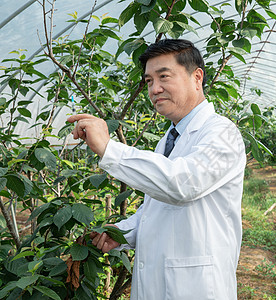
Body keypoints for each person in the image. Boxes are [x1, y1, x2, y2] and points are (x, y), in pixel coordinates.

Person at [67, 39, 246, 300]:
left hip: (196, 288)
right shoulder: (170, 138)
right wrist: (122, 232)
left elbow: (181, 185)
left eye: (164, 77)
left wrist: (109, 148)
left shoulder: (222, 133)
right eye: (149, 81)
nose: (155, 89)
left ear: (197, 77)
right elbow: (157, 210)